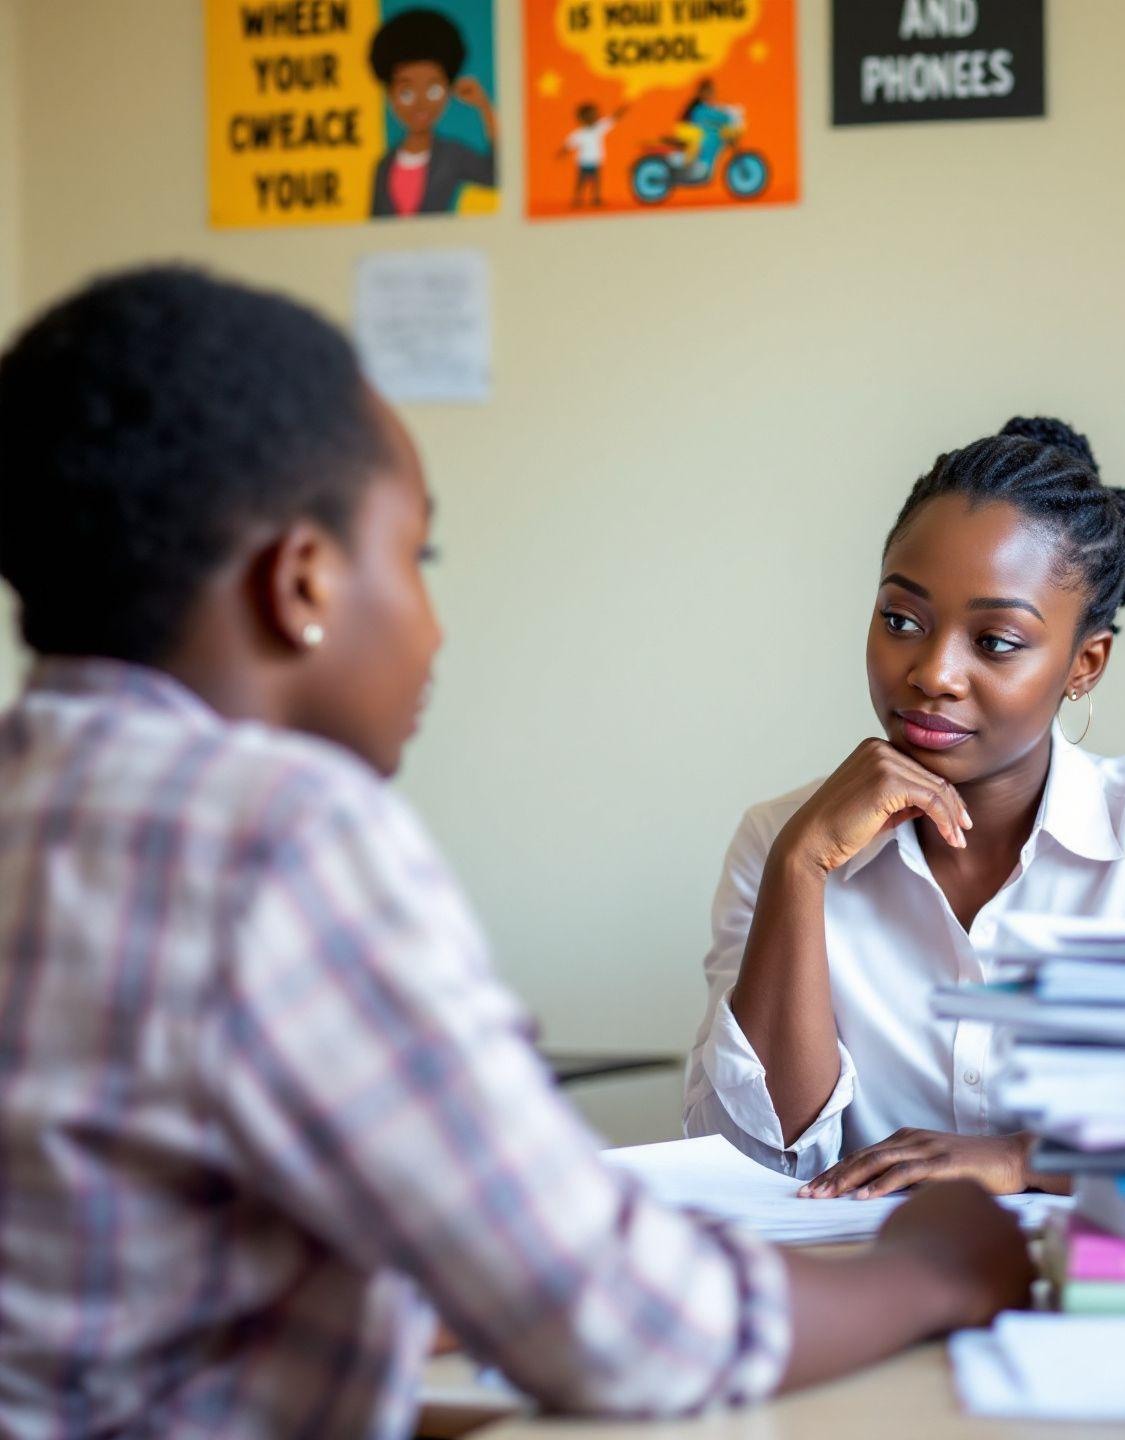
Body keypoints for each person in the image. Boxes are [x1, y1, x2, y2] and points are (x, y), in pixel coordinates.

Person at [0, 267, 1033, 1437]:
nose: (433, 625)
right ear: (302, 585)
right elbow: (619, 1325)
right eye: (418, 558)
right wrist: (935, 1273)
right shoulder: (272, 838)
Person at [684, 418, 1125, 1197]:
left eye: (996, 641)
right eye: (902, 620)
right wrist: (802, 867)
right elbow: (746, 1164)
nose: (933, 673)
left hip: (1105, 1299)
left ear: (1085, 664)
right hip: (868, 1290)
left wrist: (1021, 1159)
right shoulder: (782, 840)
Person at [368, 7, 496, 218]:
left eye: (433, 90)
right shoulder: (384, 165)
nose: (421, 103)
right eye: (406, 93)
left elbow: (497, 175)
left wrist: (485, 108)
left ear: (447, 91)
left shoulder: (452, 155)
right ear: (391, 96)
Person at [560, 100, 628, 209]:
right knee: (581, 181)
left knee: (596, 182)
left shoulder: (598, 128)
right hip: (583, 162)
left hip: (596, 161)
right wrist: (562, 153)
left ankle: (596, 198)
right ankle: (578, 198)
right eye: (592, 115)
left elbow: (612, 119)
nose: (595, 117)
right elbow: (569, 145)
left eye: (596, 114)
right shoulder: (579, 133)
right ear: (582, 118)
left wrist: (621, 111)